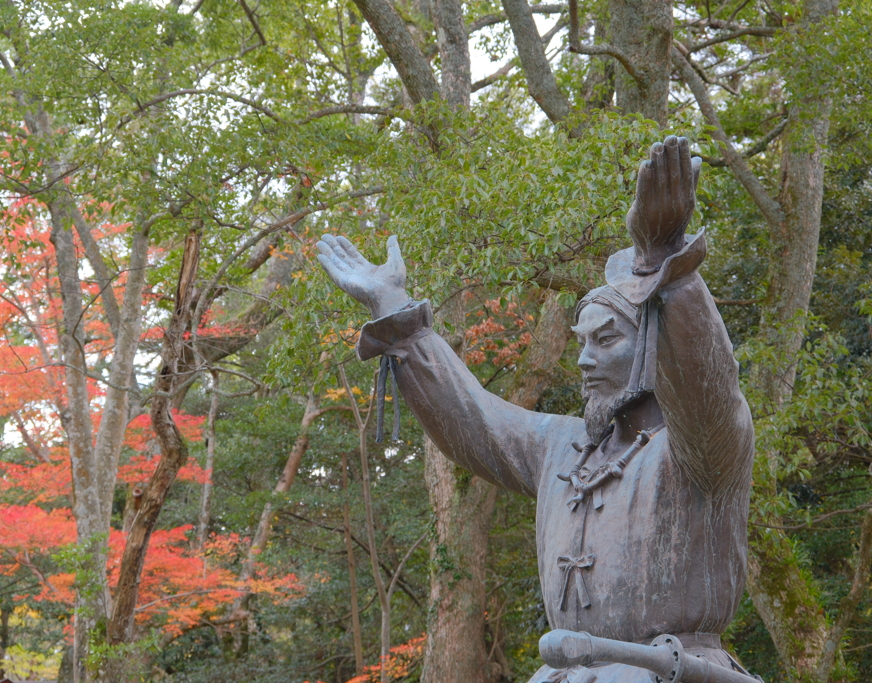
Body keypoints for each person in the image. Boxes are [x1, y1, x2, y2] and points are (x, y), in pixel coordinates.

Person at [316, 136, 755, 683]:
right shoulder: (562, 446)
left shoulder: (702, 448)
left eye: (606, 340)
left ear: (648, 348)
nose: (584, 359)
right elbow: (474, 420)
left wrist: (667, 264)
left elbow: (709, 387)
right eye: (581, 342)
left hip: (675, 674)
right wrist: (396, 313)